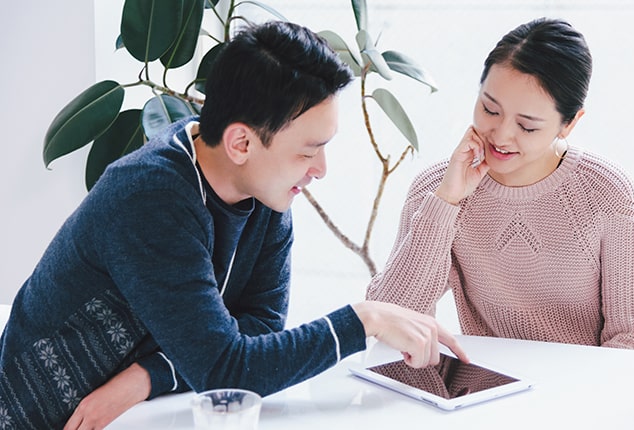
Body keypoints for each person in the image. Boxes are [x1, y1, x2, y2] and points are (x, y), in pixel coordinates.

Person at [0, 21, 467, 430]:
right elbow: (228, 369)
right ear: (241, 141)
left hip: (148, 410)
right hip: (48, 414)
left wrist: (147, 377)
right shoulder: (149, 197)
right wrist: (365, 319)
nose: (320, 168)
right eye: (307, 151)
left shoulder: (264, 191)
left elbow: (259, 328)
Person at [367, 17, 634, 351]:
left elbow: (632, 341)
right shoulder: (437, 188)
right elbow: (390, 321)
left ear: (569, 123)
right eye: (490, 109)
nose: (501, 136)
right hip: (484, 390)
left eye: (527, 126)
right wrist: (446, 201)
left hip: (580, 392)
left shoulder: (606, 194)